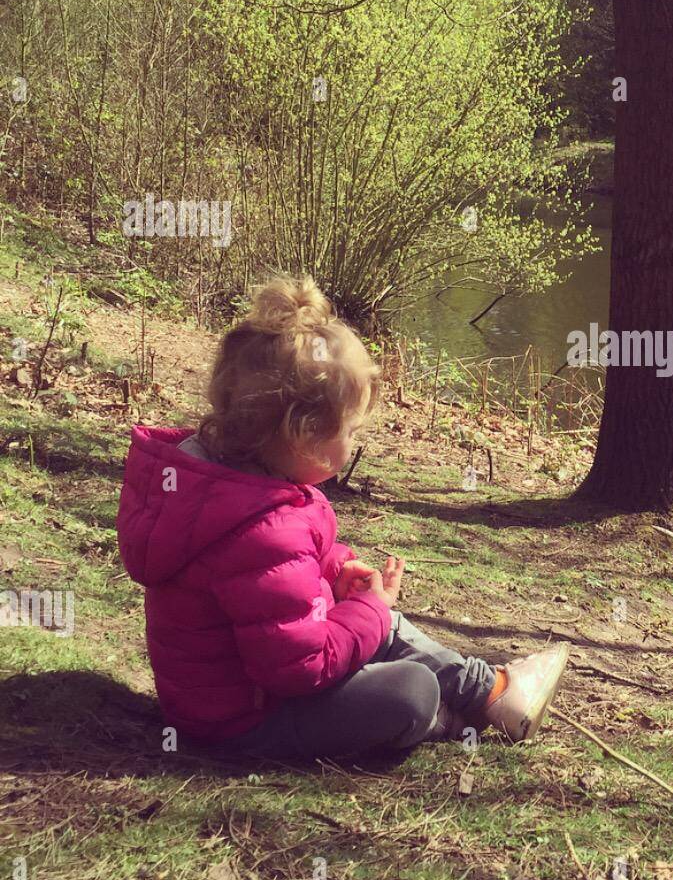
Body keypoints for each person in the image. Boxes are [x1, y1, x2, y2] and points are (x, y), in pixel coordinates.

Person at [116, 275, 568, 759]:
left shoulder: (228, 486)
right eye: (350, 430)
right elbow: (300, 666)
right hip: (244, 724)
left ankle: (493, 692)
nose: (354, 443)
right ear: (304, 435)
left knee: (375, 624)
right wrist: (370, 610)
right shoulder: (261, 527)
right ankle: (465, 708)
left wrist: (333, 575)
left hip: (239, 694)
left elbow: (273, 587)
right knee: (409, 689)